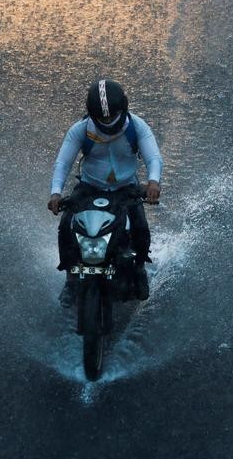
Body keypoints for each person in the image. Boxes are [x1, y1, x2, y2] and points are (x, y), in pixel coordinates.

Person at [48, 79, 163, 308]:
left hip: (126, 187)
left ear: (124, 107)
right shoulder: (79, 131)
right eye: (103, 118)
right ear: (92, 113)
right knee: (66, 226)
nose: (108, 121)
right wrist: (55, 193)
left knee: (140, 226)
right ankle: (71, 278)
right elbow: (63, 163)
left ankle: (139, 269)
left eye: (112, 116)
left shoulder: (137, 127)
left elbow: (153, 158)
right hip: (90, 186)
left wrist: (153, 182)